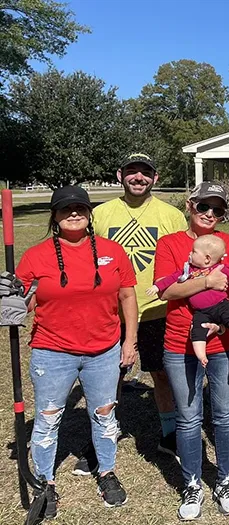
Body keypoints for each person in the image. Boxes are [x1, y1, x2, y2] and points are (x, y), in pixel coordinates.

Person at [14, 186, 138, 516]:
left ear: (89, 214)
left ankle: (107, 472)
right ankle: (44, 483)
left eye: (80, 208)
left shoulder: (113, 252)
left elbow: (127, 297)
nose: (73, 213)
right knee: (48, 418)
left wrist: (130, 341)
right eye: (66, 209)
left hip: (104, 350)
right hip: (52, 352)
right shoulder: (35, 256)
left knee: (104, 415)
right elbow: (21, 304)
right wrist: (9, 300)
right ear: (54, 216)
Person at [75, 152, 186, 476]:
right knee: (109, 379)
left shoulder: (170, 215)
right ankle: (102, 439)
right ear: (120, 174)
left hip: (157, 310)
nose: (139, 177)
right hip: (111, 312)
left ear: (156, 177)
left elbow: (183, 263)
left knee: (163, 375)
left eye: (145, 173)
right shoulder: (101, 214)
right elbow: (85, 258)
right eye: (133, 172)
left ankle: (170, 435)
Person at [154, 182, 229, 520]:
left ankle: (225, 480)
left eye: (218, 209)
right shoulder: (170, 244)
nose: (210, 214)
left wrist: (225, 323)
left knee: (225, 415)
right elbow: (166, 292)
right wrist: (206, 283)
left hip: (224, 345)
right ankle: (192, 484)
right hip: (180, 344)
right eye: (203, 206)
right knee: (188, 417)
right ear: (190, 205)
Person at [149, 234, 229, 366]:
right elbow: (171, 278)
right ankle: (202, 356)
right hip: (201, 312)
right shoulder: (188, 270)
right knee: (197, 332)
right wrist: (157, 286)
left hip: (222, 305)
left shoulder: (220, 269)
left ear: (207, 259)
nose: (190, 253)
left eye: (194, 252)